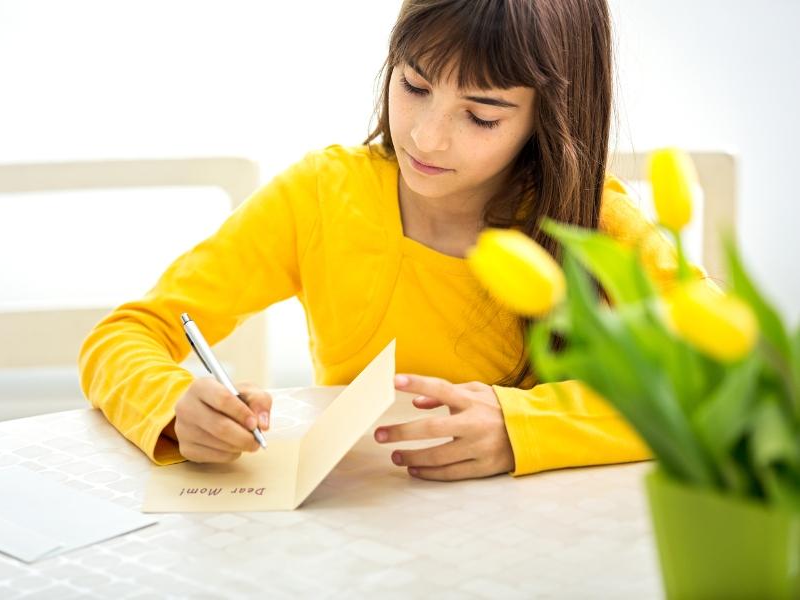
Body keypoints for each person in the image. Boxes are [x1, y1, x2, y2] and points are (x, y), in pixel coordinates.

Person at [79, 0, 702, 480]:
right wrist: (175, 405)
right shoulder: (323, 196)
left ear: (550, 116)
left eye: (482, 115)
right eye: (414, 86)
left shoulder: (594, 226)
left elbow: (716, 378)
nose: (428, 139)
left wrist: (525, 427)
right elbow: (124, 335)